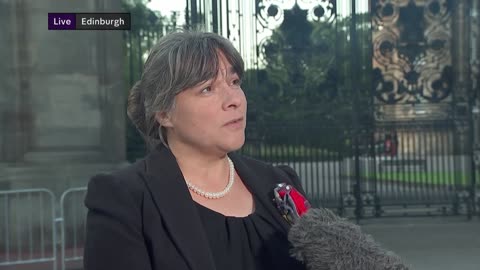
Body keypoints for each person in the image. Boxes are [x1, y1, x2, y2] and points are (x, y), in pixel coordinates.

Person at [83, 30, 307, 270]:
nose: (234, 99)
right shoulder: (125, 199)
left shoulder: (279, 184)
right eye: (207, 88)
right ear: (164, 113)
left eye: (234, 82)